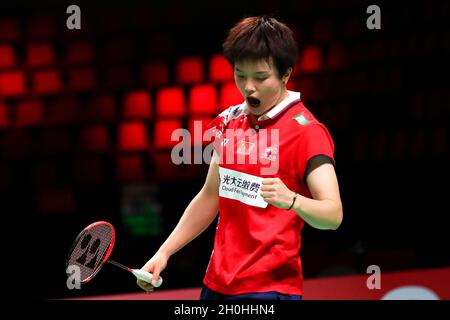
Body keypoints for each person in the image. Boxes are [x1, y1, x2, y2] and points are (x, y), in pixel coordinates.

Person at [137, 15, 343, 300]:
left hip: (269, 290)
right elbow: (210, 197)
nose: (248, 87)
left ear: (285, 74)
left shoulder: (307, 132)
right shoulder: (231, 122)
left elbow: (333, 215)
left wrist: (292, 200)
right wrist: (164, 252)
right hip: (216, 285)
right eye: (240, 74)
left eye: (260, 78)